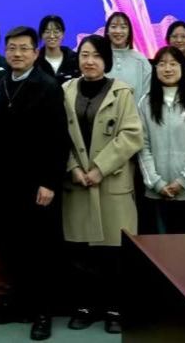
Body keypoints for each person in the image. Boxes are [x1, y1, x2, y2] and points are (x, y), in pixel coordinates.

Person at [0, 26, 68, 341]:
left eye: (24, 48)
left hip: (37, 184)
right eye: (12, 48)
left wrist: (49, 182)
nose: (17, 53)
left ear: (35, 53)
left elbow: (58, 139)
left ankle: (43, 313)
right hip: (5, 182)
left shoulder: (48, 86)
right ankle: (18, 303)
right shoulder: (2, 82)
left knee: (40, 250)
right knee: (13, 247)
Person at [62, 34, 142, 335]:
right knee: (81, 254)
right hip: (77, 184)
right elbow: (58, 135)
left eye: (96, 55)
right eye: (84, 54)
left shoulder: (122, 92)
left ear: (106, 59)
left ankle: (114, 309)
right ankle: (85, 307)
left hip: (111, 183)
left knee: (113, 253)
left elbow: (131, 135)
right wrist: (73, 167)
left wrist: (100, 168)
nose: (89, 61)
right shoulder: (66, 91)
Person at [137, 46, 185, 234]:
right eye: (162, 64)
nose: (167, 69)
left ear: (183, 68)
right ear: (155, 69)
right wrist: (156, 183)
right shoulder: (145, 103)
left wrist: (183, 181)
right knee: (159, 249)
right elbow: (142, 146)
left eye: (173, 64)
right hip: (157, 192)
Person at [104, 11, 151, 105]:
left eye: (123, 27)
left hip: (133, 113)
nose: (118, 31)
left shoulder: (141, 61)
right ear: (107, 31)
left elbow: (147, 96)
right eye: (113, 26)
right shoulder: (99, 59)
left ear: (129, 32)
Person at [36, 14, 80, 84]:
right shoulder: (35, 61)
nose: (52, 36)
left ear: (63, 34)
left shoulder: (75, 59)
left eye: (56, 32)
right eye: (47, 32)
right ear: (41, 34)